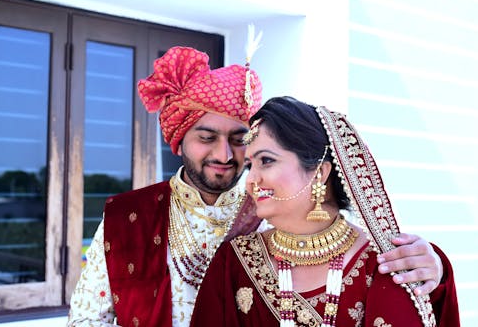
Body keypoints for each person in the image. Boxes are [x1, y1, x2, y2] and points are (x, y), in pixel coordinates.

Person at [67, 47, 448, 327]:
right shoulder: (128, 218)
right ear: (179, 139)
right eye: (206, 136)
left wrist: (432, 268)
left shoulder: (280, 208)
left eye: (239, 139)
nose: (224, 154)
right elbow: (86, 321)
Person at [190, 96, 459, 327]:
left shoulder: (385, 263)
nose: (251, 180)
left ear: (319, 173)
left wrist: (438, 269)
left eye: (266, 161)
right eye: (250, 166)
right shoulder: (233, 263)